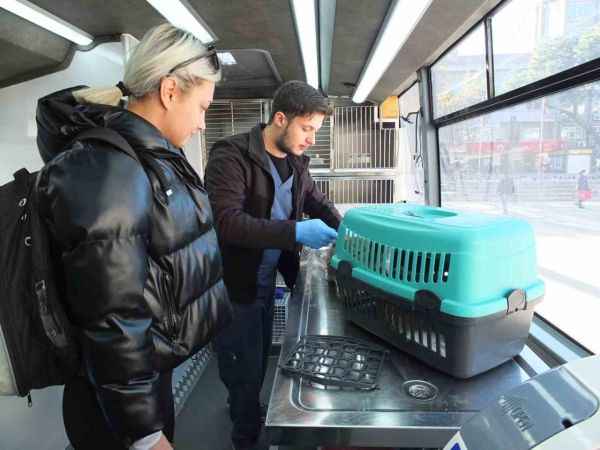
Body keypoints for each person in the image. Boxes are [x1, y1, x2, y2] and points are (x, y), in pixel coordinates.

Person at [35, 24, 232, 450]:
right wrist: (144, 434)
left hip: (139, 380)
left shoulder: (150, 158)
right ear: (169, 91)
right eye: (202, 107)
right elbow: (113, 315)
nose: (202, 123)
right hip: (114, 402)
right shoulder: (110, 169)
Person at [204, 80, 341, 450]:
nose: (312, 138)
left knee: (259, 358)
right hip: (235, 286)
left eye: (316, 130)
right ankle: (244, 436)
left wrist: (348, 234)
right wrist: (296, 231)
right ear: (280, 118)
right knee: (244, 369)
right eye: (307, 128)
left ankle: (245, 408)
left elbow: (317, 202)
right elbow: (228, 223)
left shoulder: (296, 164)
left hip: (265, 284)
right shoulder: (230, 156)